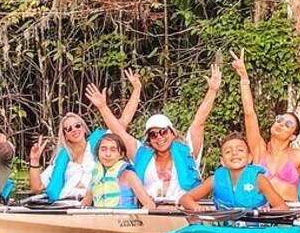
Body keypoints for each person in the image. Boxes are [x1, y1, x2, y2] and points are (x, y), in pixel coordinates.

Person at [85, 63, 222, 202]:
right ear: (149, 138)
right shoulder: (141, 152)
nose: (159, 137)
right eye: (153, 134)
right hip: (151, 211)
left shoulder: (188, 149)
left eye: (163, 132)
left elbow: (199, 121)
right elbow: (119, 132)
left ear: (172, 132)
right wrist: (102, 107)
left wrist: (212, 91)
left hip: (181, 210)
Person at [231, 50, 300, 204]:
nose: (280, 124)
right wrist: (244, 79)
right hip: (261, 212)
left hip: (287, 212)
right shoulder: (260, 150)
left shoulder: (298, 156)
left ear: (293, 135)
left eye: (288, 124)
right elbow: (249, 114)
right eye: (279, 120)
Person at [29, 69, 142, 201]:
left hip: (92, 202)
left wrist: (136, 90)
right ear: (65, 136)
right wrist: (35, 161)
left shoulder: (99, 144)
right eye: (69, 128)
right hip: (64, 205)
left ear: (83, 128)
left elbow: (123, 122)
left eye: (77, 125)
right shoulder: (62, 158)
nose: (74, 130)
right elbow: (37, 187)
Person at [179, 133, 288, 211]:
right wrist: (197, 208)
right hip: (226, 230)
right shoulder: (214, 180)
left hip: (256, 230)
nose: (234, 154)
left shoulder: (259, 180)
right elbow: (185, 198)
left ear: (249, 158)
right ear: (222, 161)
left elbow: (282, 207)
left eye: (240, 150)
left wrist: (265, 213)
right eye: (228, 151)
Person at [81, 134, 156, 209]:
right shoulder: (95, 178)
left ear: (121, 154)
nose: (108, 154)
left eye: (113, 150)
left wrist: (136, 218)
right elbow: (84, 205)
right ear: (98, 153)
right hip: (100, 219)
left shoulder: (129, 175)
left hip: (125, 219)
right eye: (103, 149)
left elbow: (150, 205)